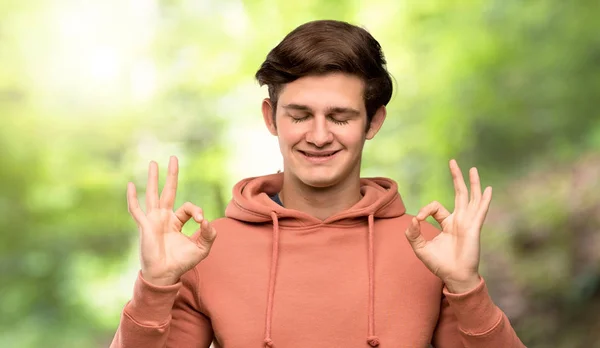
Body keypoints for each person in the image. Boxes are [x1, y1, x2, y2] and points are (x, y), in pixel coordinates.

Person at [110, 20, 525, 348]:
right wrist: (155, 286)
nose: (320, 135)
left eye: (340, 117)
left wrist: (467, 288)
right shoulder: (206, 249)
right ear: (271, 118)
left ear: (373, 122)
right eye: (300, 115)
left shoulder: (428, 249)